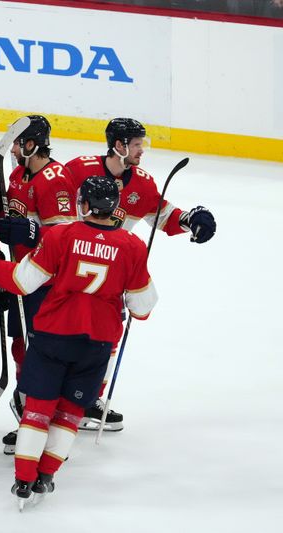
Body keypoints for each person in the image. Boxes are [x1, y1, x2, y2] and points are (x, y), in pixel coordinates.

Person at [0, 176, 158, 507]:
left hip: (53, 335)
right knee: (70, 412)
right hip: (97, 343)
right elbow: (143, 308)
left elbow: (23, 282)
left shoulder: (62, 235)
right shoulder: (132, 246)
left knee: (38, 409)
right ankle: (46, 476)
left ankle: (24, 480)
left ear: (83, 204)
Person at [65, 117, 216, 430]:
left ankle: (89, 397)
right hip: (69, 269)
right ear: (119, 145)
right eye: (136, 145)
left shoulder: (143, 183)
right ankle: (48, 394)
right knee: (64, 334)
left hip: (109, 271)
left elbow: (162, 215)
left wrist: (189, 219)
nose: (141, 151)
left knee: (107, 336)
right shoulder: (78, 170)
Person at [0, 115, 77, 454]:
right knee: (22, 347)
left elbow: (67, 236)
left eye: (17, 143)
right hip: (22, 275)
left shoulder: (55, 179)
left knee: (42, 351)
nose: (12, 149)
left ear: (32, 144)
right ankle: (29, 416)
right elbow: (14, 216)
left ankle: (44, 420)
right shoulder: (18, 174)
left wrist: (28, 232)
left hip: (48, 282)